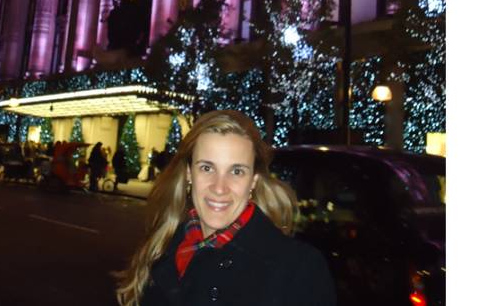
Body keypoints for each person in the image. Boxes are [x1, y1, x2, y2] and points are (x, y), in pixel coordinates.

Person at [114, 110, 336, 306]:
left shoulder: (299, 269)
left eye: (236, 171)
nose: (220, 188)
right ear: (189, 174)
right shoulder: (161, 248)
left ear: (253, 182)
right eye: (207, 168)